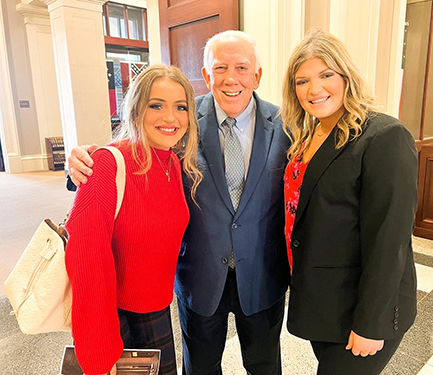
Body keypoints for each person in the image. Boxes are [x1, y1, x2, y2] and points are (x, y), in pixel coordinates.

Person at [67, 31, 290, 375]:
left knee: (264, 366)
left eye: (242, 68)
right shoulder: (183, 120)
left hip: (262, 277)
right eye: (220, 68)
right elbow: (135, 152)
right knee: (199, 367)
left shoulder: (287, 125)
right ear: (206, 75)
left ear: (257, 75)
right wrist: (81, 164)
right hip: (199, 279)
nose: (231, 78)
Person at [280, 29, 418, 374]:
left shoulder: (383, 136)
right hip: (323, 299)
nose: (314, 90)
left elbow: (390, 240)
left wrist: (371, 322)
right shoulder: (307, 136)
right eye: (302, 81)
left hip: (362, 305)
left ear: (346, 76)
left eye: (326, 75)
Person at [64, 65, 202, 375]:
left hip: (157, 309)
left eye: (180, 107)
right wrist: (100, 350)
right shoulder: (108, 163)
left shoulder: (173, 163)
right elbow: (86, 260)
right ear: (136, 110)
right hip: (116, 317)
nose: (170, 118)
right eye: (157, 105)